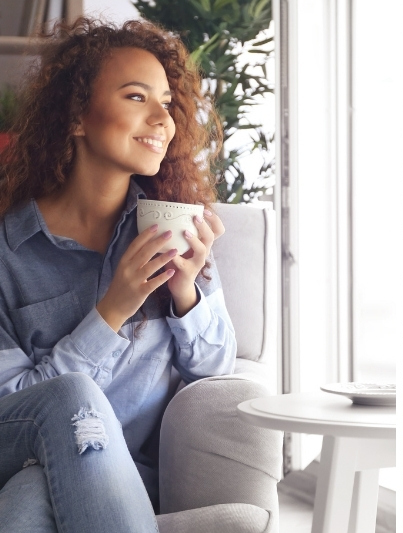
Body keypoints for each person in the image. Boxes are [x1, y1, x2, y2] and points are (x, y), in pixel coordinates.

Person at [0, 17, 237, 532]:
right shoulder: (6, 252)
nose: (164, 119)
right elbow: (14, 405)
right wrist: (112, 312)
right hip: (11, 447)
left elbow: (216, 374)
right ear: (77, 117)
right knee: (69, 396)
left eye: (168, 104)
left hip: (115, 479)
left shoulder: (170, 224)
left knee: (26, 503)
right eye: (136, 97)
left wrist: (184, 293)